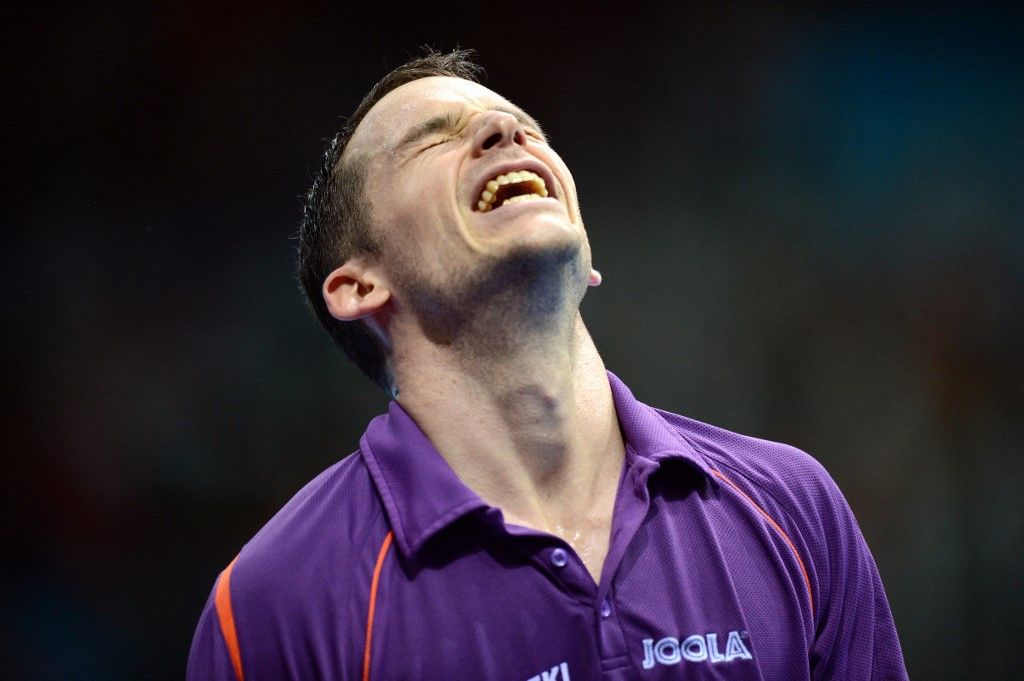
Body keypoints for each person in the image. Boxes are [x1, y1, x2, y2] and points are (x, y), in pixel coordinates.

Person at [187, 49, 908, 680]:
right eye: (432, 140)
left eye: (523, 127)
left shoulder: (792, 509)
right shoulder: (277, 604)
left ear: (588, 258)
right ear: (359, 284)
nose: (507, 133)